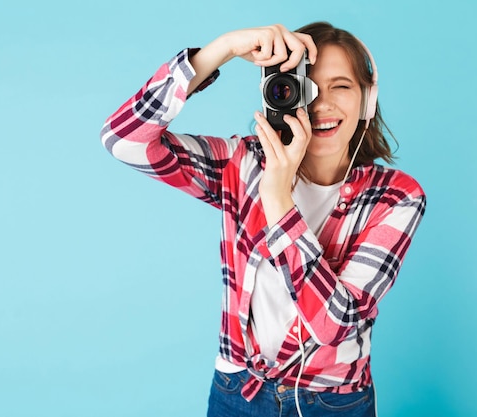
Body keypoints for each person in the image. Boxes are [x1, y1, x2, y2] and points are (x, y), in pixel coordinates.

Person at [101, 21, 426, 417]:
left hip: (333, 401)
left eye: (341, 86)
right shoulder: (243, 164)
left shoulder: (396, 196)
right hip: (238, 391)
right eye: (306, 87)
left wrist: (276, 196)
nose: (321, 104)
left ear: (367, 100)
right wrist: (221, 49)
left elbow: (334, 325)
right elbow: (124, 139)